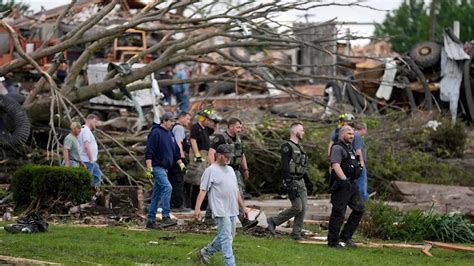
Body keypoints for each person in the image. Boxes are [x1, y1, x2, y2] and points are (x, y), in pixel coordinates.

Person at [195, 144, 249, 266]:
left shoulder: (230, 170)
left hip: (232, 209)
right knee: (226, 239)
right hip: (220, 209)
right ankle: (230, 263)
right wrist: (197, 208)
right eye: (226, 156)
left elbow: (236, 191)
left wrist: (243, 207)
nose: (229, 158)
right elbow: (203, 190)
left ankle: (206, 252)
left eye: (230, 156)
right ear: (219, 155)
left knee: (229, 236)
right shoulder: (210, 171)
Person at [267, 122, 313, 240]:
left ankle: (296, 234)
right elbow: (285, 165)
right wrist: (288, 182)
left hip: (301, 181)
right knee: (297, 207)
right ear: (294, 131)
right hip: (292, 180)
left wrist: (309, 181)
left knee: (303, 209)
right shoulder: (287, 146)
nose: (303, 132)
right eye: (301, 130)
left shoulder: (300, 148)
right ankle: (273, 221)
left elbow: (302, 166)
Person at [208, 117, 258, 229]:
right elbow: (211, 152)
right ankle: (243, 219)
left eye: (240, 127)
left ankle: (244, 219)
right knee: (220, 193)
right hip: (223, 169)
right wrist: (214, 168)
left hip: (235, 170)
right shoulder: (220, 138)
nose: (240, 129)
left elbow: (242, 155)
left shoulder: (238, 140)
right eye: (238, 127)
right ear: (230, 127)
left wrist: (246, 169)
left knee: (238, 192)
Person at [144, 112, 187, 229]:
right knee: (168, 187)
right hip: (157, 168)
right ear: (164, 121)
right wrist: (149, 169)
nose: (172, 124)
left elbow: (176, 153)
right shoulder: (155, 133)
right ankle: (166, 216)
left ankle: (151, 220)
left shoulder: (170, 135)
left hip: (166, 169)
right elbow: (149, 152)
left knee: (156, 195)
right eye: (171, 121)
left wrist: (181, 164)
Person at [327, 126, 365, 248]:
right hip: (342, 185)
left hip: (352, 184)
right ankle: (333, 242)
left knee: (359, 209)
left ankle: (346, 236)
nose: (352, 136)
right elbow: (335, 165)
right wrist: (344, 179)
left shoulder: (351, 148)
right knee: (338, 213)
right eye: (349, 133)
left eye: (353, 134)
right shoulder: (338, 148)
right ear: (342, 134)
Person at [185, 109, 219, 208]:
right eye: (207, 119)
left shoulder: (206, 129)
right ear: (202, 118)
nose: (209, 121)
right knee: (196, 180)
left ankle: (203, 204)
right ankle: (193, 204)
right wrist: (197, 154)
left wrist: (216, 122)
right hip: (200, 155)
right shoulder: (196, 127)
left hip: (206, 156)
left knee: (204, 180)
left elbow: (215, 131)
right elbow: (193, 140)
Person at [169, 111, 192, 211]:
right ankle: (177, 205)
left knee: (173, 181)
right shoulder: (179, 128)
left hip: (172, 159)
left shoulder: (174, 127)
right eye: (187, 119)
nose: (188, 121)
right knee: (178, 181)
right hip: (177, 159)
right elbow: (178, 142)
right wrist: (181, 158)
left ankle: (173, 203)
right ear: (182, 117)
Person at [78, 114, 102, 186]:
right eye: (95, 122)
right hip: (87, 160)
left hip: (90, 160)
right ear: (91, 120)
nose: (96, 124)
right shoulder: (86, 131)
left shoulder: (84, 130)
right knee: (87, 180)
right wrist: (91, 159)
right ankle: (87, 191)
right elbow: (86, 146)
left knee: (97, 177)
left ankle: (93, 191)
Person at [353, 122, 368, 201]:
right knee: (362, 183)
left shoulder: (353, 136)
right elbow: (358, 151)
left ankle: (357, 200)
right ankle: (362, 201)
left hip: (354, 163)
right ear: (363, 129)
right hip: (359, 163)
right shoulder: (357, 136)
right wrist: (361, 163)